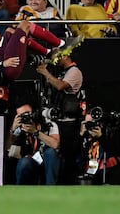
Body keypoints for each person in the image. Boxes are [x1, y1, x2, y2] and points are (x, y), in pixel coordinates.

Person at [36, 48, 84, 184]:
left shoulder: (74, 71)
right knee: (53, 154)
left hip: (69, 125)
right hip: (56, 121)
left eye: (58, 55)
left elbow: (61, 86)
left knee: (67, 158)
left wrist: (46, 73)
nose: (55, 58)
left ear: (66, 55)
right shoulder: (60, 72)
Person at [7, 102, 61, 185]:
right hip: (31, 162)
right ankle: (19, 194)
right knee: (24, 162)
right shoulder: (19, 130)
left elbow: (55, 144)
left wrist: (35, 132)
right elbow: (7, 148)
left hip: (48, 162)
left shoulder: (48, 124)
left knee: (50, 152)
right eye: (21, 116)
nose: (26, 118)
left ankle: (51, 190)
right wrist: (12, 130)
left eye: (27, 114)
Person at [77, 106, 120, 184]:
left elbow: (115, 152)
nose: (90, 126)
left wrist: (101, 137)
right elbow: (73, 154)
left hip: (108, 171)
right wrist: (81, 135)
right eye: (87, 123)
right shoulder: (83, 134)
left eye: (92, 123)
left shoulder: (109, 132)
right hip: (88, 170)